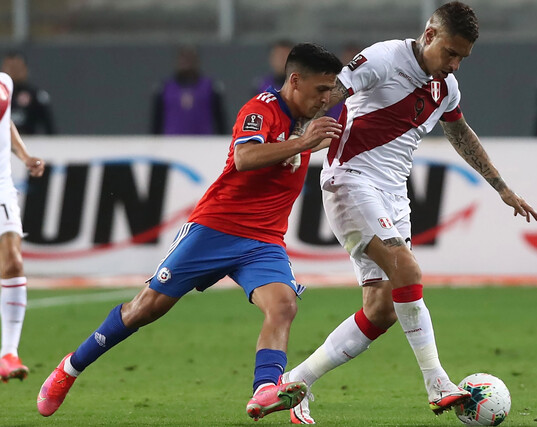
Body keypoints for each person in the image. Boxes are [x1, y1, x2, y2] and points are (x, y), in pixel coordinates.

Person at [36, 43, 344, 421]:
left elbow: (356, 88)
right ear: (294, 80)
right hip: (215, 229)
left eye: (331, 91)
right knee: (143, 310)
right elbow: (245, 158)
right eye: (321, 91)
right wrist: (304, 142)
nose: (327, 99)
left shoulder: (311, 110)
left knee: (283, 306)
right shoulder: (261, 109)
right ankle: (70, 368)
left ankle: (264, 390)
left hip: (264, 241)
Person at [283, 2, 537, 424]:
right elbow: (333, 92)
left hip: (392, 195)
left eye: (463, 58)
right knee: (408, 271)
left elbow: (459, 133)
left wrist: (501, 187)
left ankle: (298, 382)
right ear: (429, 35)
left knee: (382, 308)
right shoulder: (384, 58)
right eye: (451, 54)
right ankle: (437, 381)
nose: (455, 65)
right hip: (351, 179)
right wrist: (296, 139)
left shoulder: (447, 88)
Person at [0, 72, 46, 382]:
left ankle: (8, 353)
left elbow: (6, 123)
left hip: (1, 186)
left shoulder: (4, 82)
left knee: (14, 262)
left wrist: (25, 155)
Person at [151, 45, 228, 135]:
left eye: (190, 58)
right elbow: (156, 124)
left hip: (204, 144)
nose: (187, 62)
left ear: (197, 61)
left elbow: (220, 122)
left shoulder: (211, 88)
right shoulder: (164, 88)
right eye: (184, 58)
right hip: (171, 144)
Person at [1, 51, 55, 135]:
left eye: (17, 68)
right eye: (10, 68)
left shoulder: (36, 96)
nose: (14, 72)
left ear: (25, 69)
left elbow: (50, 129)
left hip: (28, 143)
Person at [325, 43, 363, 121]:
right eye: (350, 58)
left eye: (355, 59)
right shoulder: (330, 87)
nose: (353, 64)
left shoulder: (366, 90)